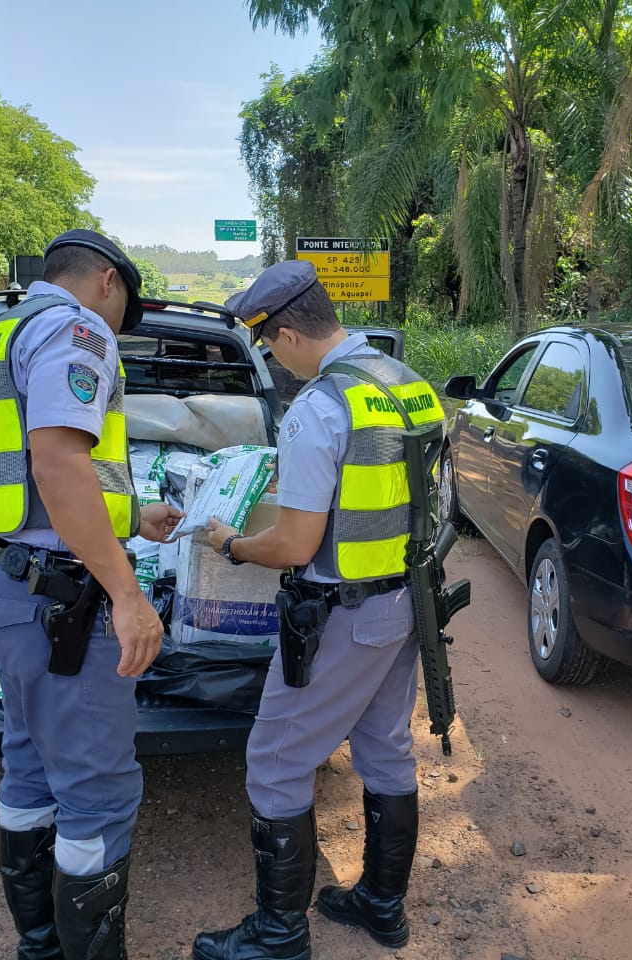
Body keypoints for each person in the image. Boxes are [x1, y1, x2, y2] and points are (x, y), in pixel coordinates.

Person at [193, 260, 445, 960]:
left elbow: (297, 543)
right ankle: (381, 906)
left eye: (269, 347)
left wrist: (232, 544)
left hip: (344, 614)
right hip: (405, 605)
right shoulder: (406, 386)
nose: (273, 361)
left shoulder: (318, 407)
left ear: (286, 334)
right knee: (387, 748)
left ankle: (279, 935)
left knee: (275, 761)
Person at [0, 229, 183, 960]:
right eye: (125, 310)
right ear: (106, 281)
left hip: (6, 587)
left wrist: (131, 516)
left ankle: (40, 947)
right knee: (97, 795)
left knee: (28, 771)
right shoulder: (79, 328)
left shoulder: (0, 333)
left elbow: (29, 484)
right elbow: (59, 468)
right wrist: (126, 592)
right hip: (64, 607)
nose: (119, 327)